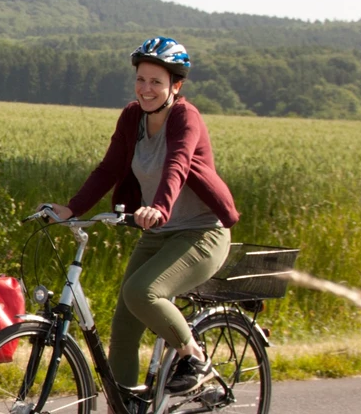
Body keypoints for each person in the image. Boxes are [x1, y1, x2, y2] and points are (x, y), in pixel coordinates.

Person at [45, 36, 239, 401]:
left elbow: (177, 164)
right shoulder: (132, 116)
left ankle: (194, 358)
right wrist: (72, 208)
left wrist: (161, 207)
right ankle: (125, 409)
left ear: (175, 87)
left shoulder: (186, 116)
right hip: (160, 232)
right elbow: (109, 168)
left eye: (156, 82)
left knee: (142, 292)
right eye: (141, 80)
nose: (146, 89)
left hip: (202, 234)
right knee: (123, 325)